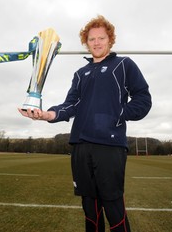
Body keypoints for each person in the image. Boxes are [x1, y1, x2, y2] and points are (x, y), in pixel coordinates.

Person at [19, 15, 152, 232]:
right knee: (90, 207)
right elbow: (71, 105)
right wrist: (47, 114)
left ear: (110, 40)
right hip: (80, 145)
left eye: (101, 38)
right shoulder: (81, 73)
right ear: (86, 42)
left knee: (113, 206)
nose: (97, 42)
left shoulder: (123, 65)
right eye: (92, 39)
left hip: (109, 146)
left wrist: (118, 114)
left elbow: (143, 99)